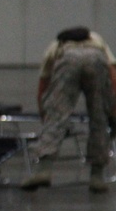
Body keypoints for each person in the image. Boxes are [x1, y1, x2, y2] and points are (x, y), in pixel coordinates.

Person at [22, 26, 116, 193]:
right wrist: (112, 106)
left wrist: (46, 115)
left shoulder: (55, 47)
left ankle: (44, 170)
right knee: (99, 118)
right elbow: (112, 73)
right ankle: (97, 176)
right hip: (97, 60)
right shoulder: (97, 41)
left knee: (57, 115)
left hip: (67, 61)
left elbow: (43, 87)